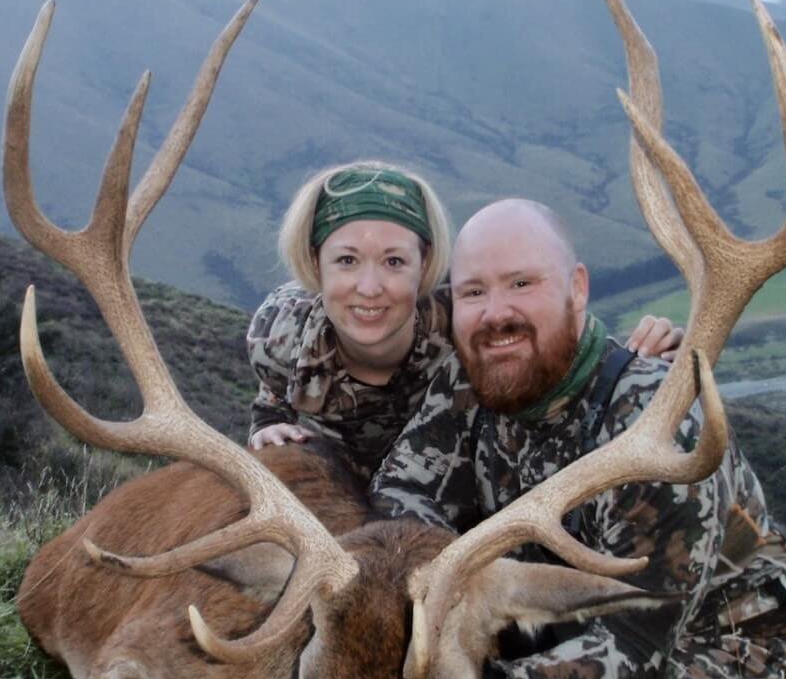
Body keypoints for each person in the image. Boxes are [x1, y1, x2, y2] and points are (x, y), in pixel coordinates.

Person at [368, 197, 786, 679]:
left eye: (522, 284)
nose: (495, 312)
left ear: (577, 289)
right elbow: (401, 495)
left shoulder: (652, 427)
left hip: (732, 649)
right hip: (580, 625)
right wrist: (436, 598)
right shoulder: (470, 383)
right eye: (473, 291)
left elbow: (638, 640)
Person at [246, 161, 681, 476]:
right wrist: (268, 427)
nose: (370, 287)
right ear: (314, 263)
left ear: (427, 264)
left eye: (395, 261)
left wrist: (636, 358)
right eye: (347, 260)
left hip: (441, 502)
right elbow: (272, 392)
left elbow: (556, 344)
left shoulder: (467, 323)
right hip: (339, 504)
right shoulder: (279, 333)